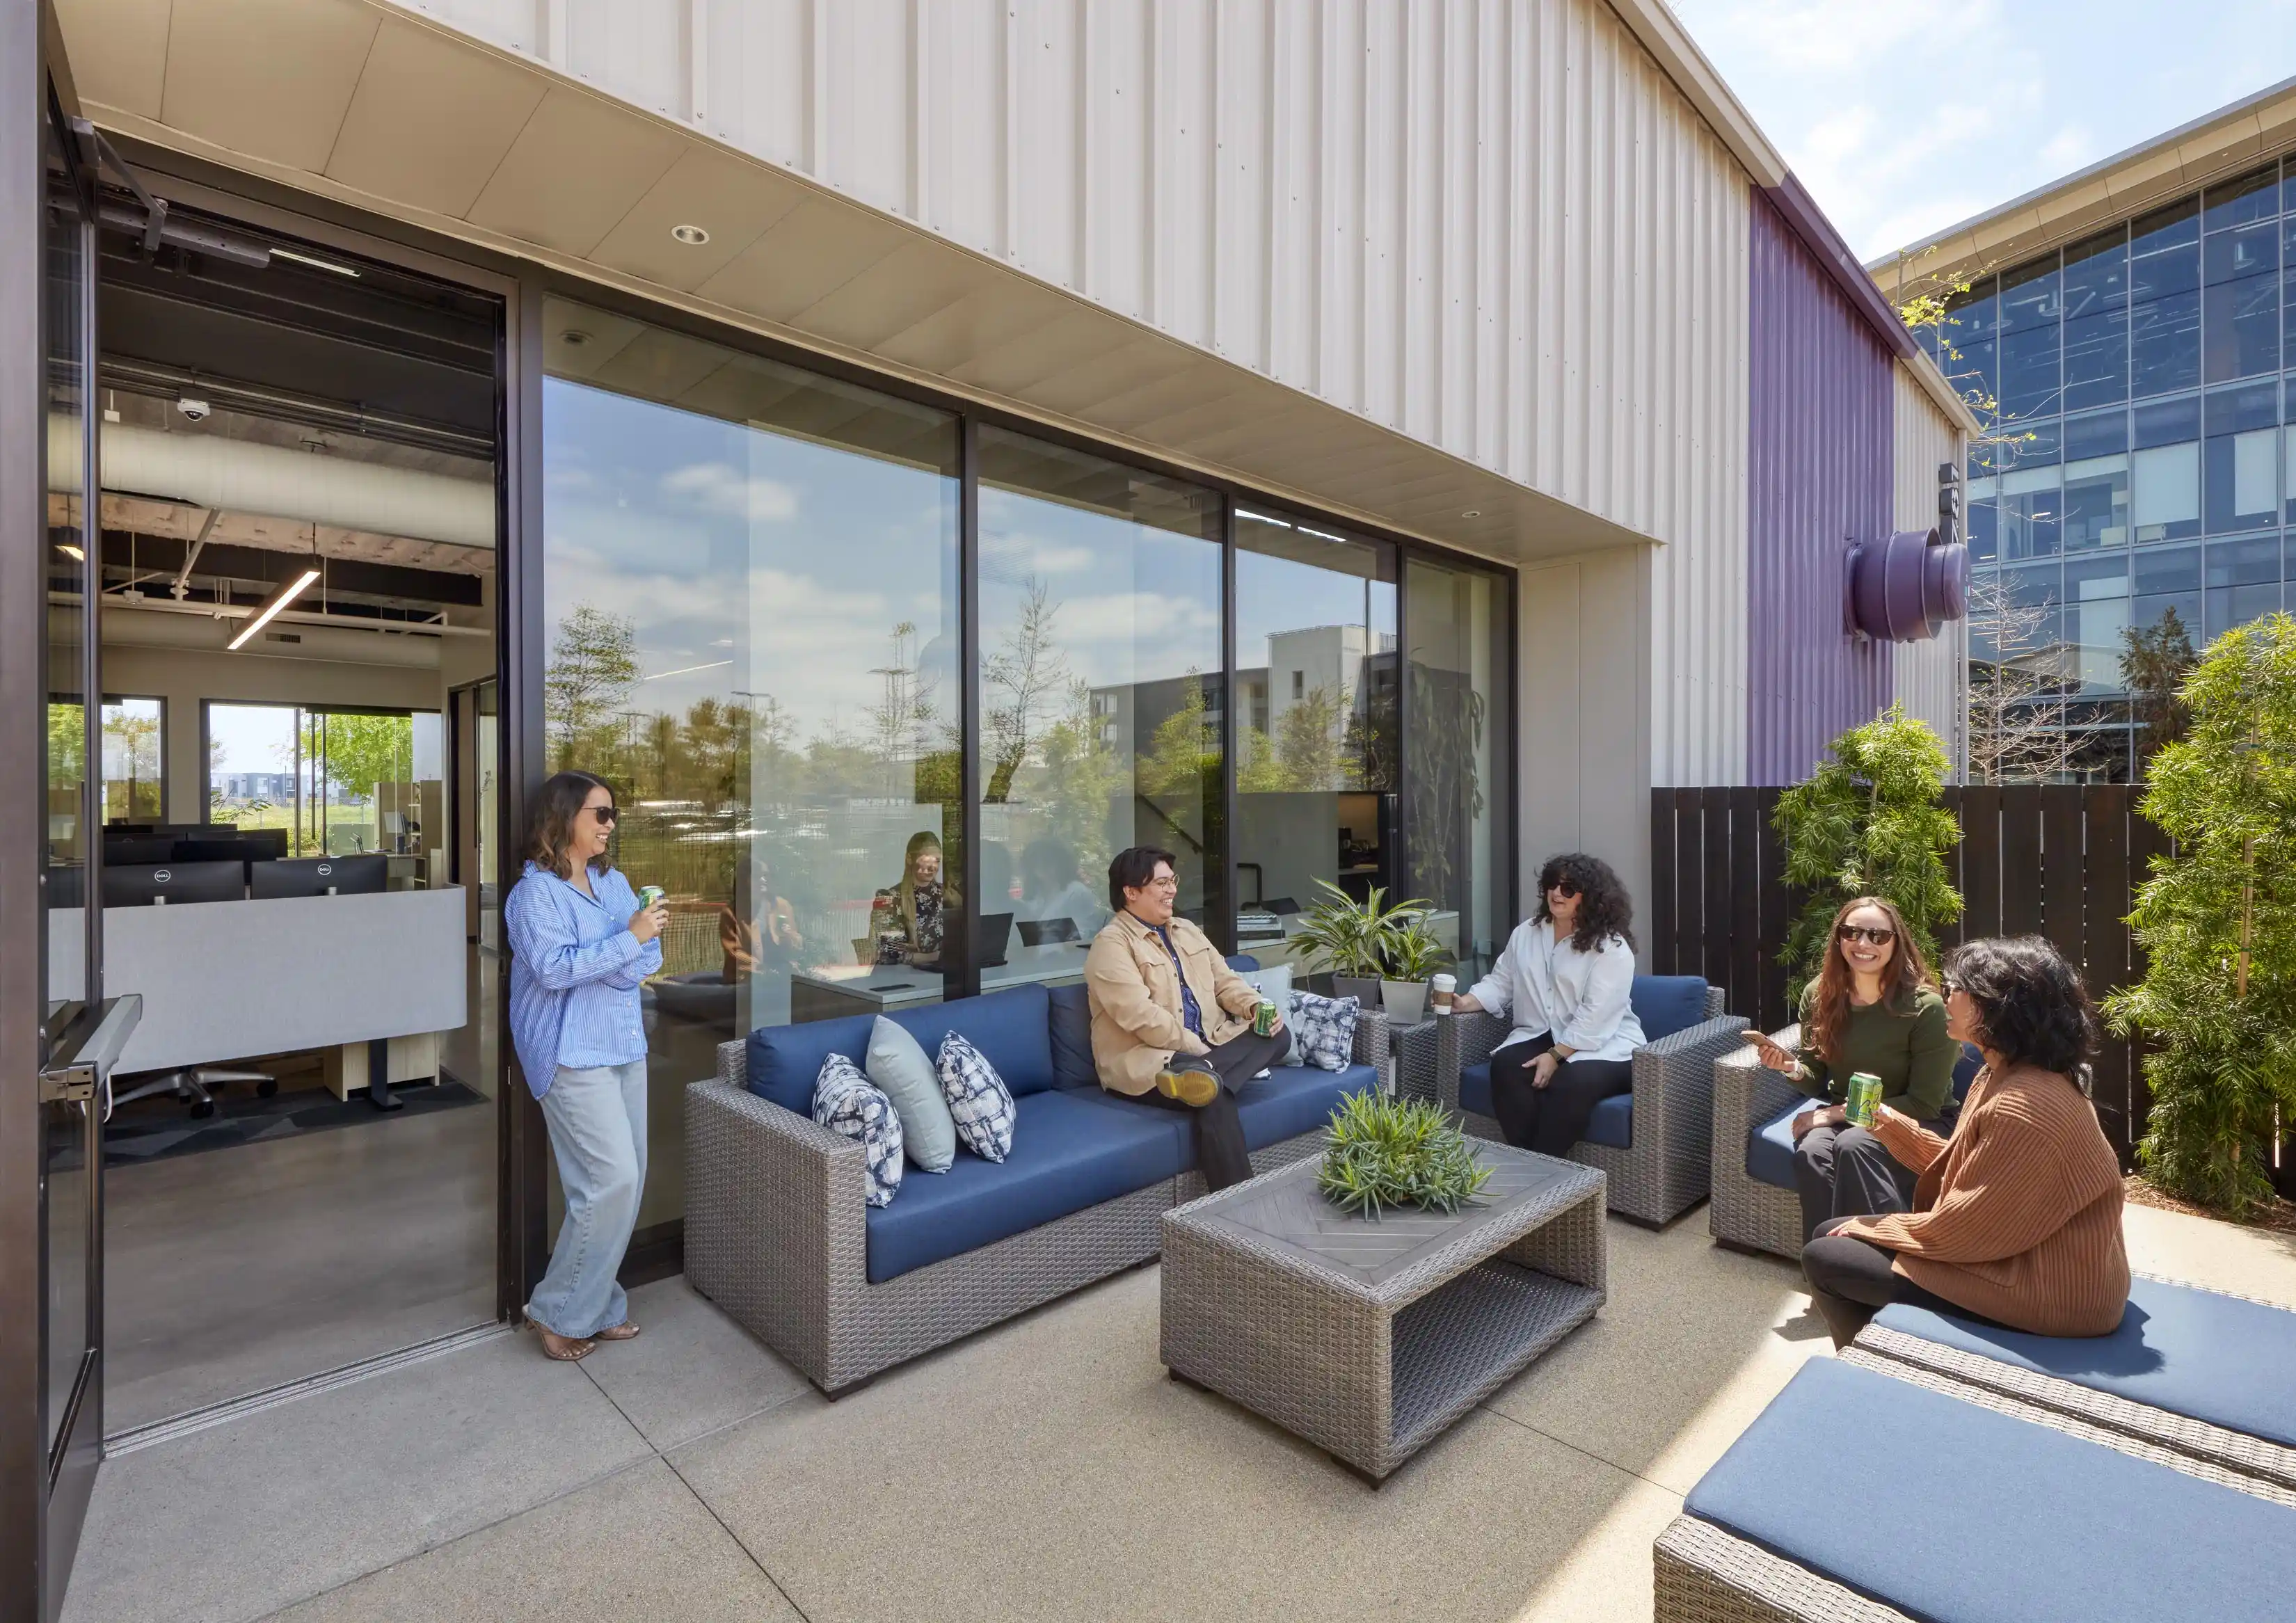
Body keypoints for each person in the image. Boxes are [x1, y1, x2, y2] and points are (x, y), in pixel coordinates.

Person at [1800, 934, 2128, 1348]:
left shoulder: (2023, 1104)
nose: (1944, 998)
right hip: (2030, 1256)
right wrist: (1886, 1123)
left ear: (1994, 1007)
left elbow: (1969, 1230)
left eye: (1954, 990)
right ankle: (1888, 1347)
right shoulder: (2003, 1072)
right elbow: (1967, 1166)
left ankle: (1879, 1364)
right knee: (1835, 1232)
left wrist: (1877, 1229)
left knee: (1826, 1256)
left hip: (2050, 1289)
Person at [504, 770, 665, 1363]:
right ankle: (558, 1312)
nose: (610, 825)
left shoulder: (614, 881)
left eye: (612, 814)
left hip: (623, 1044)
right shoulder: (533, 896)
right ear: (565, 817)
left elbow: (642, 960)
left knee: (621, 1185)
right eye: (600, 813)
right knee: (610, 1182)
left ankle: (596, 1306)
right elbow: (552, 969)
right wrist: (628, 941)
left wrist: (632, 941)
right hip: (571, 1053)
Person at [1751, 896, 1959, 1240]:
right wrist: (1790, 1067)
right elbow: (1815, 1078)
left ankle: (1881, 1259)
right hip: (1850, 1115)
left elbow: (1926, 1102)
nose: (1863, 944)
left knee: (1852, 1142)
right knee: (1814, 1151)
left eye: (1877, 936)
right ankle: (1825, 1265)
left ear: (1897, 942)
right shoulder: (1819, 995)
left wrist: (1834, 1115)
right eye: (1852, 933)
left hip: (1917, 1118)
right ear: (1838, 939)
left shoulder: (1925, 1007)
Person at [1084, 846, 1289, 1190]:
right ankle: (1238, 1205)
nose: (1172, 890)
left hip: (1208, 1049)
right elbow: (1141, 1016)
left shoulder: (1187, 930)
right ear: (1131, 892)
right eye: (1162, 883)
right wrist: (1198, 1050)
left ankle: (1203, 1074)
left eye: (1172, 881)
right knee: (1214, 1096)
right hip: (1152, 1060)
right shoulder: (1110, 946)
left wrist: (1253, 1007)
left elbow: (1225, 981)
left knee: (1278, 1036)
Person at [1452, 853, 1645, 1158]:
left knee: (1571, 1081)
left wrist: (1555, 1057)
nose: (1557, 893)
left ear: (1591, 896)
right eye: (1553, 884)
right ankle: (1535, 1165)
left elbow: (1595, 1018)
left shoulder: (1612, 948)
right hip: (1546, 1032)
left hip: (1607, 1044)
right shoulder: (1527, 932)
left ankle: (1539, 1175)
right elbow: (1502, 982)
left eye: (1569, 888)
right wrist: (1465, 1002)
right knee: (1506, 1066)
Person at [868, 831, 948, 966]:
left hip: (949, 977)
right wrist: (936, 956)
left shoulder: (947, 895)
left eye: (937, 861)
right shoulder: (891, 898)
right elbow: (887, 954)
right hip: (905, 981)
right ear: (910, 859)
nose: (932, 867)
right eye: (926, 860)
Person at [1017, 835, 1102, 940]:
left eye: (1047, 862)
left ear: (1061, 863)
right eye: (1036, 863)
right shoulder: (1032, 895)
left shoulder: (1076, 892)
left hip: (1067, 956)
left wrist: (1044, 934)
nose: (1042, 867)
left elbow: (1083, 934)